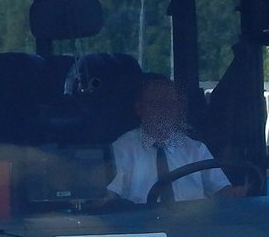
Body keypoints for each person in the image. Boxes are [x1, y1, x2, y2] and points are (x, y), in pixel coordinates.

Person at [102, 75, 245, 205]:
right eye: (158, 104)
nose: (166, 110)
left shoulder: (196, 149)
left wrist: (235, 193)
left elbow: (220, 191)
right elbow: (108, 198)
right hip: (142, 229)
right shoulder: (122, 149)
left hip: (194, 226)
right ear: (140, 108)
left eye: (171, 104)